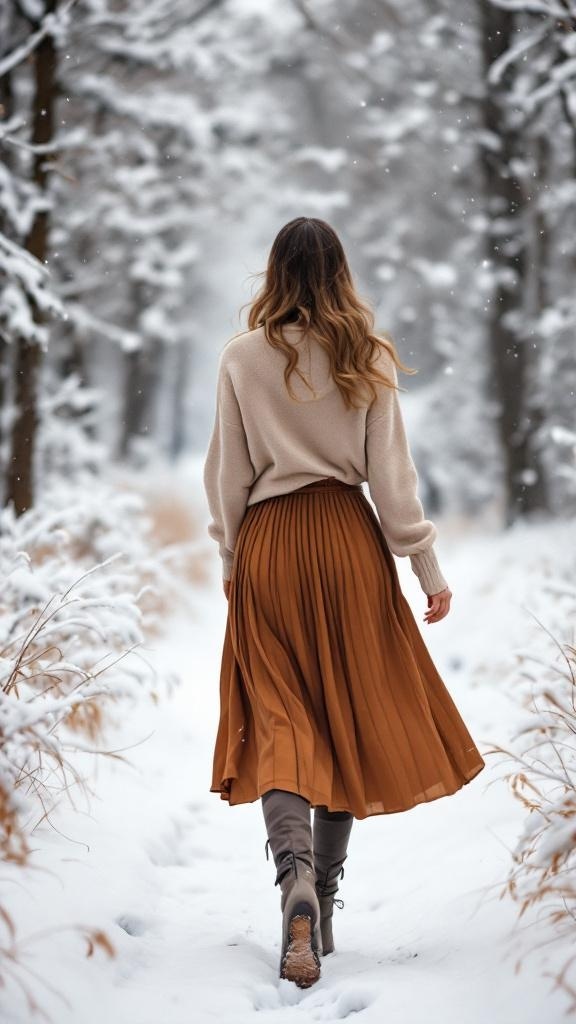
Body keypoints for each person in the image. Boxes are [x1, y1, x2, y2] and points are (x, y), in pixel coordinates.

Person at [202, 216, 485, 989]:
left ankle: (291, 878)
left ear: (274, 274)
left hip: (270, 545)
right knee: (342, 714)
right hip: (348, 544)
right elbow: (394, 484)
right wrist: (427, 568)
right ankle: (322, 899)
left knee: (283, 717)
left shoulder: (241, 360)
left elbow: (226, 475)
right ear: (339, 275)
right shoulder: (366, 359)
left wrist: (232, 559)